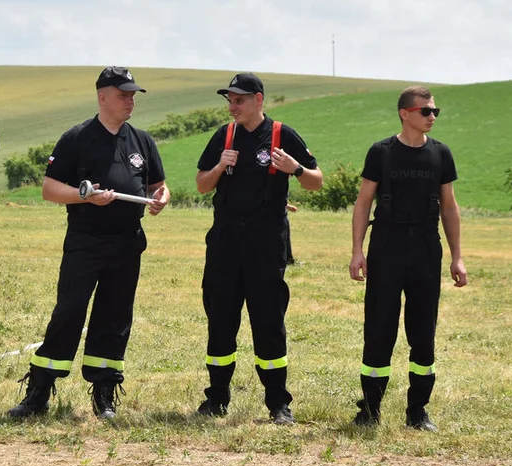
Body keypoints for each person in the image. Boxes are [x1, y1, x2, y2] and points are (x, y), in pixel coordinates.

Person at [6, 66, 169, 420]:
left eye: (133, 96)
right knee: (68, 311)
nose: (130, 101)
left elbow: (158, 185)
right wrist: (86, 198)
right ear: (103, 96)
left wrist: (161, 198)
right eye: (124, 95)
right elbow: (50, 190)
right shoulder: (76, 138)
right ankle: (38, 393)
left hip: (127, 243)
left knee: (114, 317)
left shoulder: (142, 141)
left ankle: (104, 394)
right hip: (86, 240)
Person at [194, 73, 322, 424]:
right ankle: (216, 397)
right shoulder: (225, 135)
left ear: (258, 100)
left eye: (239, 100)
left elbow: (317, 181)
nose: (232, 106)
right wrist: (221, 165)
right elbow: (202, 185)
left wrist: (294, 168)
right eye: (229, 100)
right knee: (220, 320)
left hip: (265, 246)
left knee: (268, 322)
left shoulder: (282, 134)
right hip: (224, 243)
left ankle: (278, 403)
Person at [348, 85, 467, 430]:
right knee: (379, 329)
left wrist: (457, 257)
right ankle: (369, 410)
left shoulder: (441, 154)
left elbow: (450, 207)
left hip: (426, 248)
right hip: (386, 245)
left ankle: (417, 410)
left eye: (435, 112)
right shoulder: (381, 152)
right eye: (425, 111)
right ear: (405, 114)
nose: (432, 117)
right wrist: (357, 250)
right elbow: (363, 204)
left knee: (423, 331)